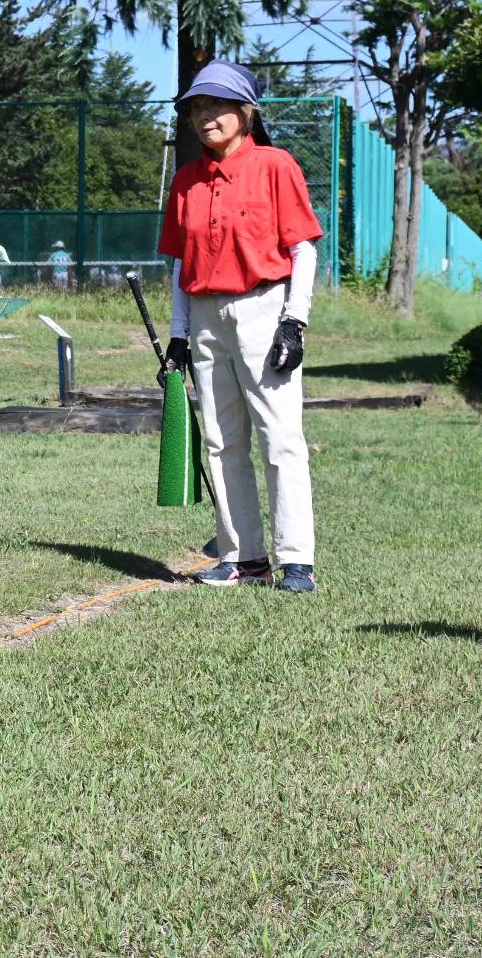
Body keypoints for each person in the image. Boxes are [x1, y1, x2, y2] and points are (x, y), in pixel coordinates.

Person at [157, 62, 322, 593]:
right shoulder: (186, 180)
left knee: (280, 440)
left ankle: (296, 559)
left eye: (215, 106)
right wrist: (179, 335)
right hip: (206, 318)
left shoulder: (275, 165)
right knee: (221, 442)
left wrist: (294, 322)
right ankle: (243, 557)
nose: (204, 117)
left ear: (245, 112)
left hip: (263, 310)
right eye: (195, 109)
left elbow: (302, 249)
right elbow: (182, 267)